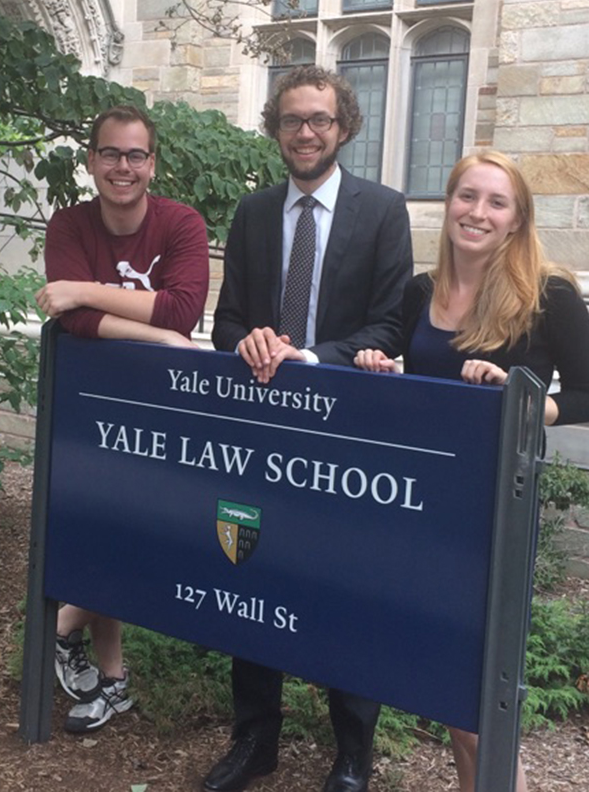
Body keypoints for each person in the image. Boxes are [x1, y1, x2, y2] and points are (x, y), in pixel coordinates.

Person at [355, 150, 589, 792]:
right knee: (452, 699)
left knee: (479, 702)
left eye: (496, 202)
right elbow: (414, 387)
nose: (477, 212)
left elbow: (588, 394)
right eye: (467, 196)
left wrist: (525, 399)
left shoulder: (551, 294)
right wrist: (384, 369)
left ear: (517, 220)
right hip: (419, 506)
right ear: (449, 202)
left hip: (493, 514)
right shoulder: (421, 291)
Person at [209, 65, 413, 792]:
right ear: (276, 129)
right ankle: (254, 740)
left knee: (346, 586)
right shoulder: (253, 212)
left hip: (345, 437)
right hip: (261, 432)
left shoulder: (384, 211)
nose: (305, 132)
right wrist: (249, 341)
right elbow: (227, 318)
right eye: (292, 119)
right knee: (252, 570)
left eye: (319, 119)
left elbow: (391, 323)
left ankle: (352, 754)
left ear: (344, 126)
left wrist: (312, 356)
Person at [34, 105, 209, 733]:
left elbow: (185, 307)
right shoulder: (70, 224)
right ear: (91, 161)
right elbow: (67, 319)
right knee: (100, 523)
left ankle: (58, 625)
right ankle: (114, 679)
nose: (123, 167)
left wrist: (84, 289)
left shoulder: (180, 223)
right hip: (92, 408)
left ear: (152, 164)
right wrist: (156, 336)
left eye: (136, 155)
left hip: (162, 413)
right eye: (110, 154)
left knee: (144, 525)